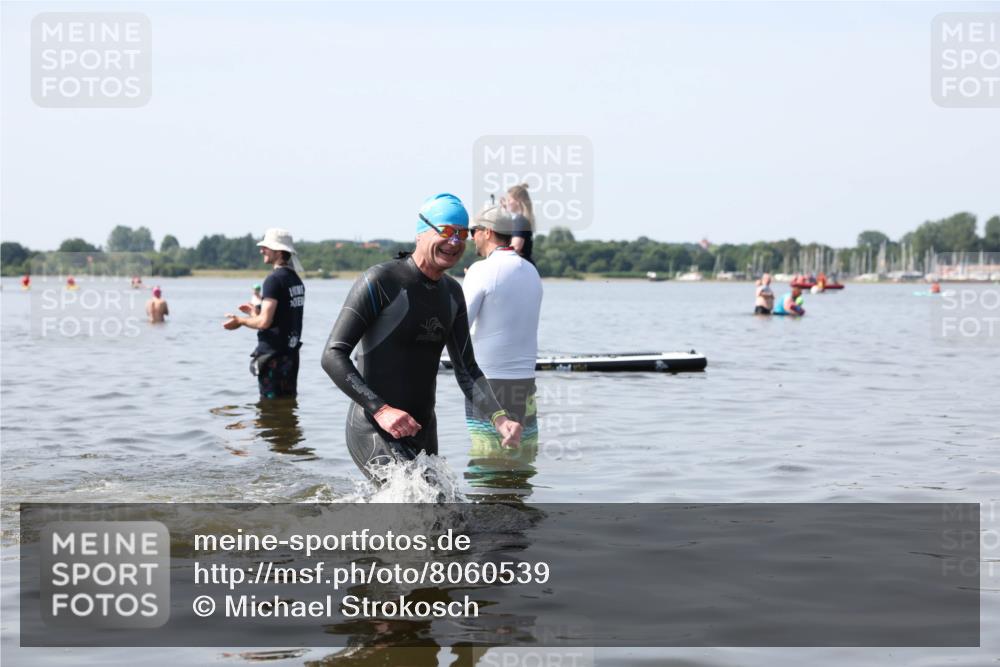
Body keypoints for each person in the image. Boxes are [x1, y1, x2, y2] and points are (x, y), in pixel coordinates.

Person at [321, 193, 522, 480]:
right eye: (446, 232)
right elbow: (332, 355)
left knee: (447, 518)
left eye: (462, 235)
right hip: (375, 425)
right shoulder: (381, 281)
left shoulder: (452, 294)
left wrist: (500, 419)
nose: (454, 242)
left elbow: (467, 369)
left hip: (423, 431)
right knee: (425, 511)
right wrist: (381, 410)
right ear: (420, 233)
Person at [463, 205, 543, 453]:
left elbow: (458, 326)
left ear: (487, 232)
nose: (470, 238)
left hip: (489, 382)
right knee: (522, 460)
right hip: (526, 382)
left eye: (472, 231)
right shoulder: (531, 270)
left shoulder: (481, 270)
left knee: (487, 465)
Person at [223, 229, 305, 399]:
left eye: (266, 247)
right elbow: (281, 318)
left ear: (279, 251)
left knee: (269, 408)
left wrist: (240, 320)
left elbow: (265, 323)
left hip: (273, 359)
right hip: (291, 356)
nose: (262, 251)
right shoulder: (295, 280)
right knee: (287, 404)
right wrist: (255, 314)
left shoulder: (273, 280)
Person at [502, 183, 535, 263]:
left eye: (509, 200)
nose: (507, 203)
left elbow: (515, 247)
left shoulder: (519, 220)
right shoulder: (521, 220)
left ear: (518, 200)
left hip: (521, 266)